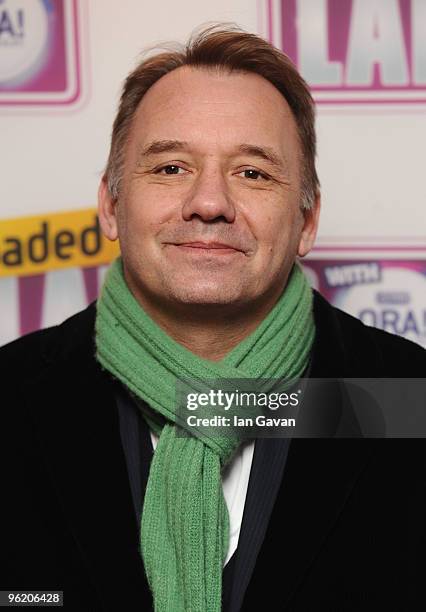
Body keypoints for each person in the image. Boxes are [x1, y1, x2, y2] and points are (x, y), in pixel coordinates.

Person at [1, 24, 425, 612]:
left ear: (306, 221)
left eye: (253, 173)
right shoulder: (12, 396)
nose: (209, 203)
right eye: (171, 167)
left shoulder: (408, 399)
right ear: (110, 205)